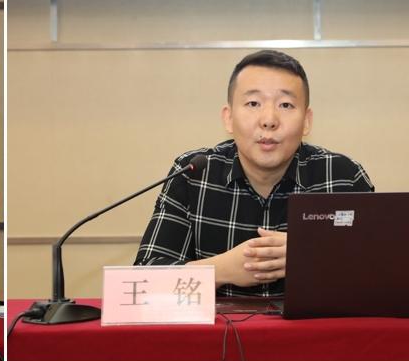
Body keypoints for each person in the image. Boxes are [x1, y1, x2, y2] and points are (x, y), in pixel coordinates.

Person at [134, 50, 373, 298]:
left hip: (316, 325)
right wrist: (220, 270)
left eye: (285, 105)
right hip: (218, 326)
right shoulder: (193, 173)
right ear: (228, 118)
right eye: (253, 103)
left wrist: (312, 257)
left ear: (306, 121)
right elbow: (144, 280)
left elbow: (379, 274)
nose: (269, 120)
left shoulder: (343, 178)